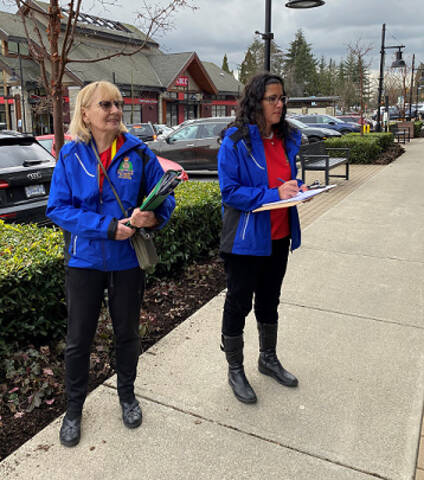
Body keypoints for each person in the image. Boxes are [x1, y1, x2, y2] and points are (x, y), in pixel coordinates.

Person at [46, 81, 175, 446]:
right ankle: (73, 410)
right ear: (85, 113)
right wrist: (104, 227)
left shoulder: (139, 154)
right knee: (78, 340)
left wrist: (155, 217)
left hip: (126, 262)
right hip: (84, 261)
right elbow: (57, 209)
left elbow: (164, 201)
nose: (115, 111)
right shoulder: (71, 157)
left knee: (127, 334)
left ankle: (127, 396)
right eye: (106, 105)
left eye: (118, 104)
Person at [217, 72, 306, 404]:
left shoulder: (286, 138)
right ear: (256, 102)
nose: (280, 104)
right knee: (238, 303)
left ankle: (267, 358)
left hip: (279, 237)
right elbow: (230, 193)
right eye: (273, 98)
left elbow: (286, 183)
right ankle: (235, 369)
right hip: (245, 241)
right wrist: (273, 194)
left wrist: (299, 190)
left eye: (283, 98)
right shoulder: (236, 142)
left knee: (270, 300)